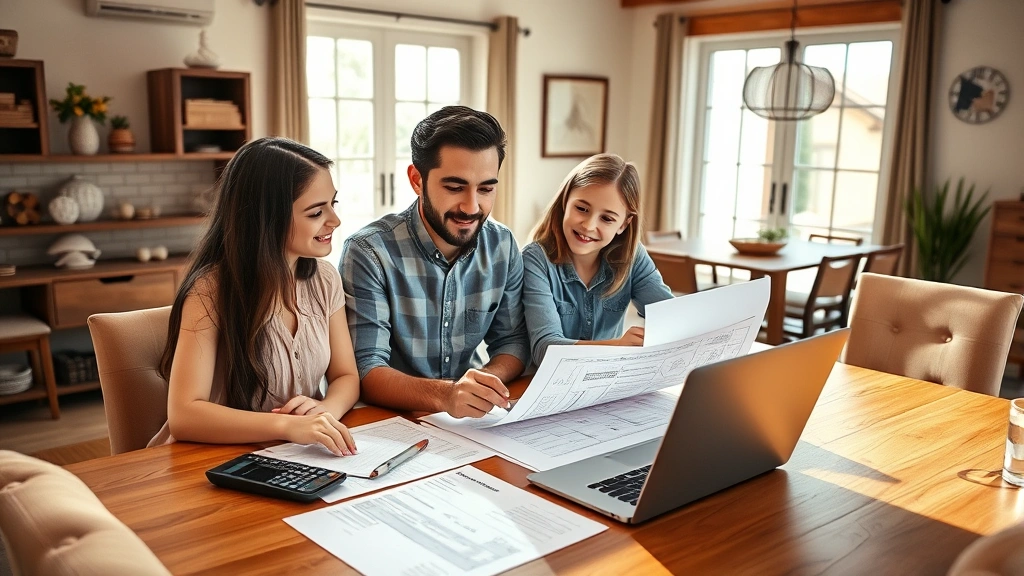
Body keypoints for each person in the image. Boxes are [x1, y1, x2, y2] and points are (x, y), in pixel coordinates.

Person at [151, 137, 360, 456]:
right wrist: (287, 426)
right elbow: (184, 415)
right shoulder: (211, 290)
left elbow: (346, 376)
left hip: (291, 453)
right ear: (268, 219)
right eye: (316, 212)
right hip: (210, 460)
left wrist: (325, 410)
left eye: (333, 204)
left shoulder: (324, 279)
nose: (334, 220)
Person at [341, 106, 530, 419]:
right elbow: (367, 369)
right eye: (455, 187)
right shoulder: (368, 252)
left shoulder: (502, 244)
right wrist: (447, 394)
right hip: (388, 421)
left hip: (466, 421)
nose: (472, 206)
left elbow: (512, 341)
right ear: (417, 180)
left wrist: (481, 384)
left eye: (486, 188)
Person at [522, 153, 674, 364]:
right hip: (544, 386)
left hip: (607, 385)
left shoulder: (633, 257)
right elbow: (545, 349)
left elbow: (674, 317)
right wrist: (617, 347)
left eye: (607, 218)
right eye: (582, 209)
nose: (589, 225)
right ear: (566, 201)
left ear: (623, 224)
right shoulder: (535, 260)